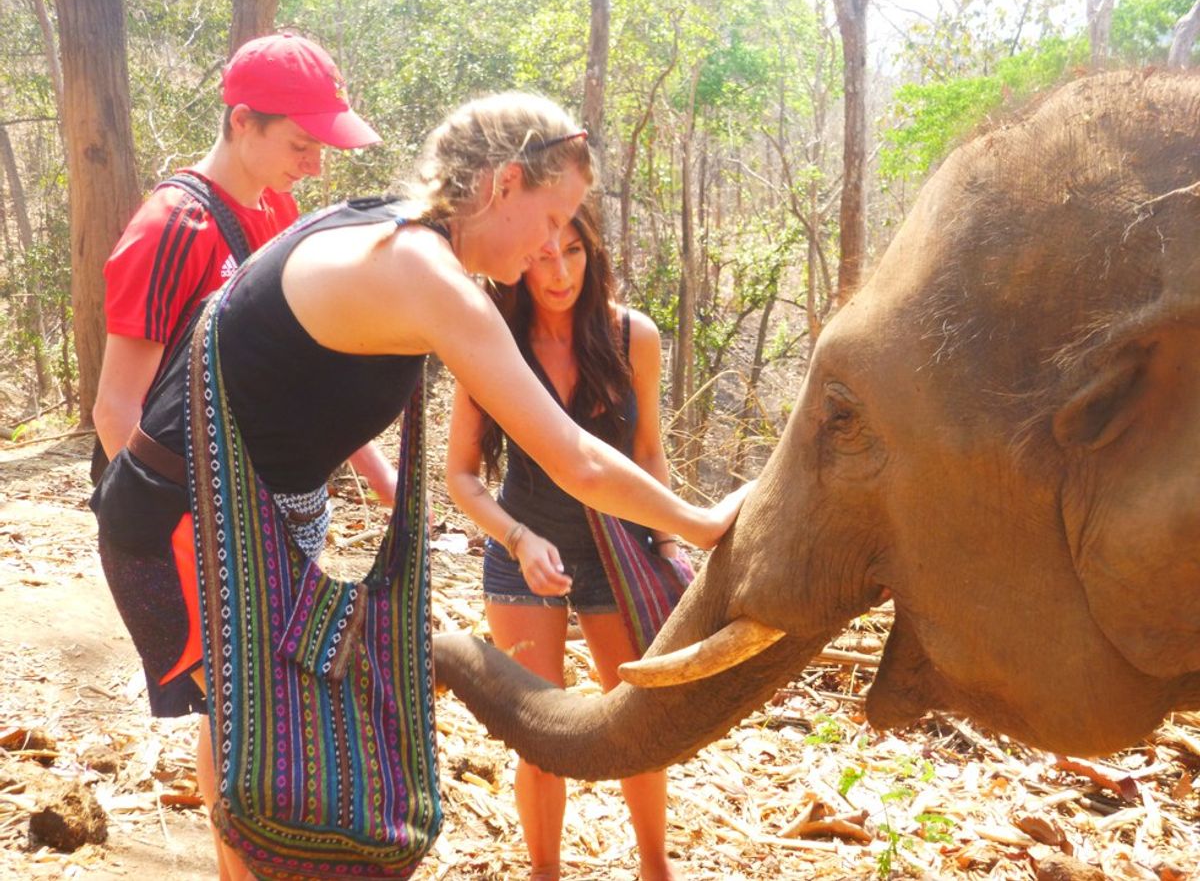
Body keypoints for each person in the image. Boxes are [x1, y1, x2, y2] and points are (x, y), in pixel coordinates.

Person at [91, 91, 746, 881]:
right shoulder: (424, 273)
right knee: (278, 762)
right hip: (182, 527)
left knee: (272, 745)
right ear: (505, 184)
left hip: (235, 520)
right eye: (549, 219)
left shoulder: (383, 229)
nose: (549, 248)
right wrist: (702, 524)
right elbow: (574, 457)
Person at [445, 201, 683, 881]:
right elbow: (460, 477)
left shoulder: (633, 336)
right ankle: (544, 871)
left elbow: (647, 451)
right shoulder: (490, 341)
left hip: (621, 551)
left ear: (594, 253)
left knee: (637, 721)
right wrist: (518, 539)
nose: (559, 272)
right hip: (527, 547)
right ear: (520, 261)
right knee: (541, 732)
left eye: (573, 252)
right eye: (543, 256)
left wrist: (666, 545)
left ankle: (655, 868)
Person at [91, 31, 395, 498]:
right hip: (179, 500)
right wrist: (181, 527)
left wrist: (381, 477)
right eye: (301, 145)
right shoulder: (172, 228)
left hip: (257, 492)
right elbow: (115, 408)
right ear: (244, 121)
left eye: (321, 148)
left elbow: (299, 364)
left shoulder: (281, 212)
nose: (314, 165)